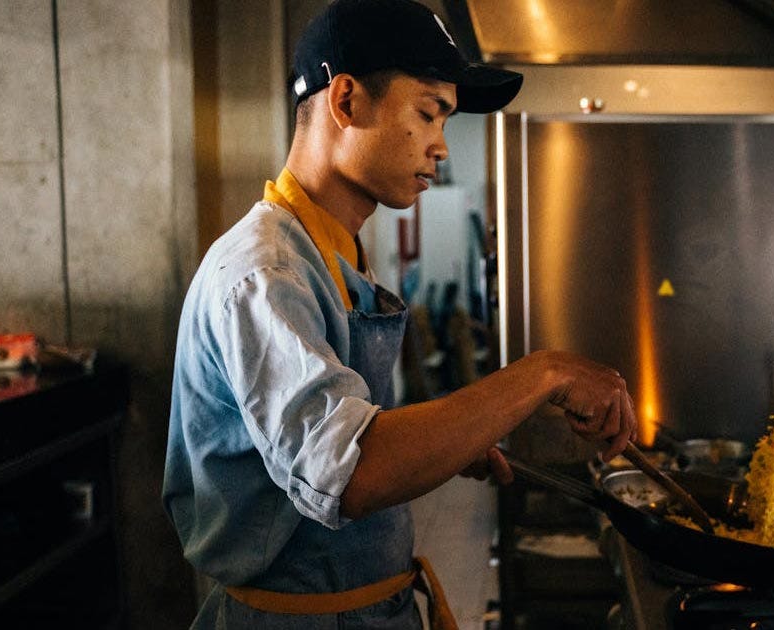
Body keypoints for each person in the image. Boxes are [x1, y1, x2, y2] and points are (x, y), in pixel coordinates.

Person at [162, 1, 637, 628]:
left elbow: (344, 423)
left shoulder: (334, 250)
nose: (440, 146)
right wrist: (544, 373)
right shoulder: (264, 272)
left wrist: (447, 441)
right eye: (428, 112)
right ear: (347, 101)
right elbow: (352, 470)